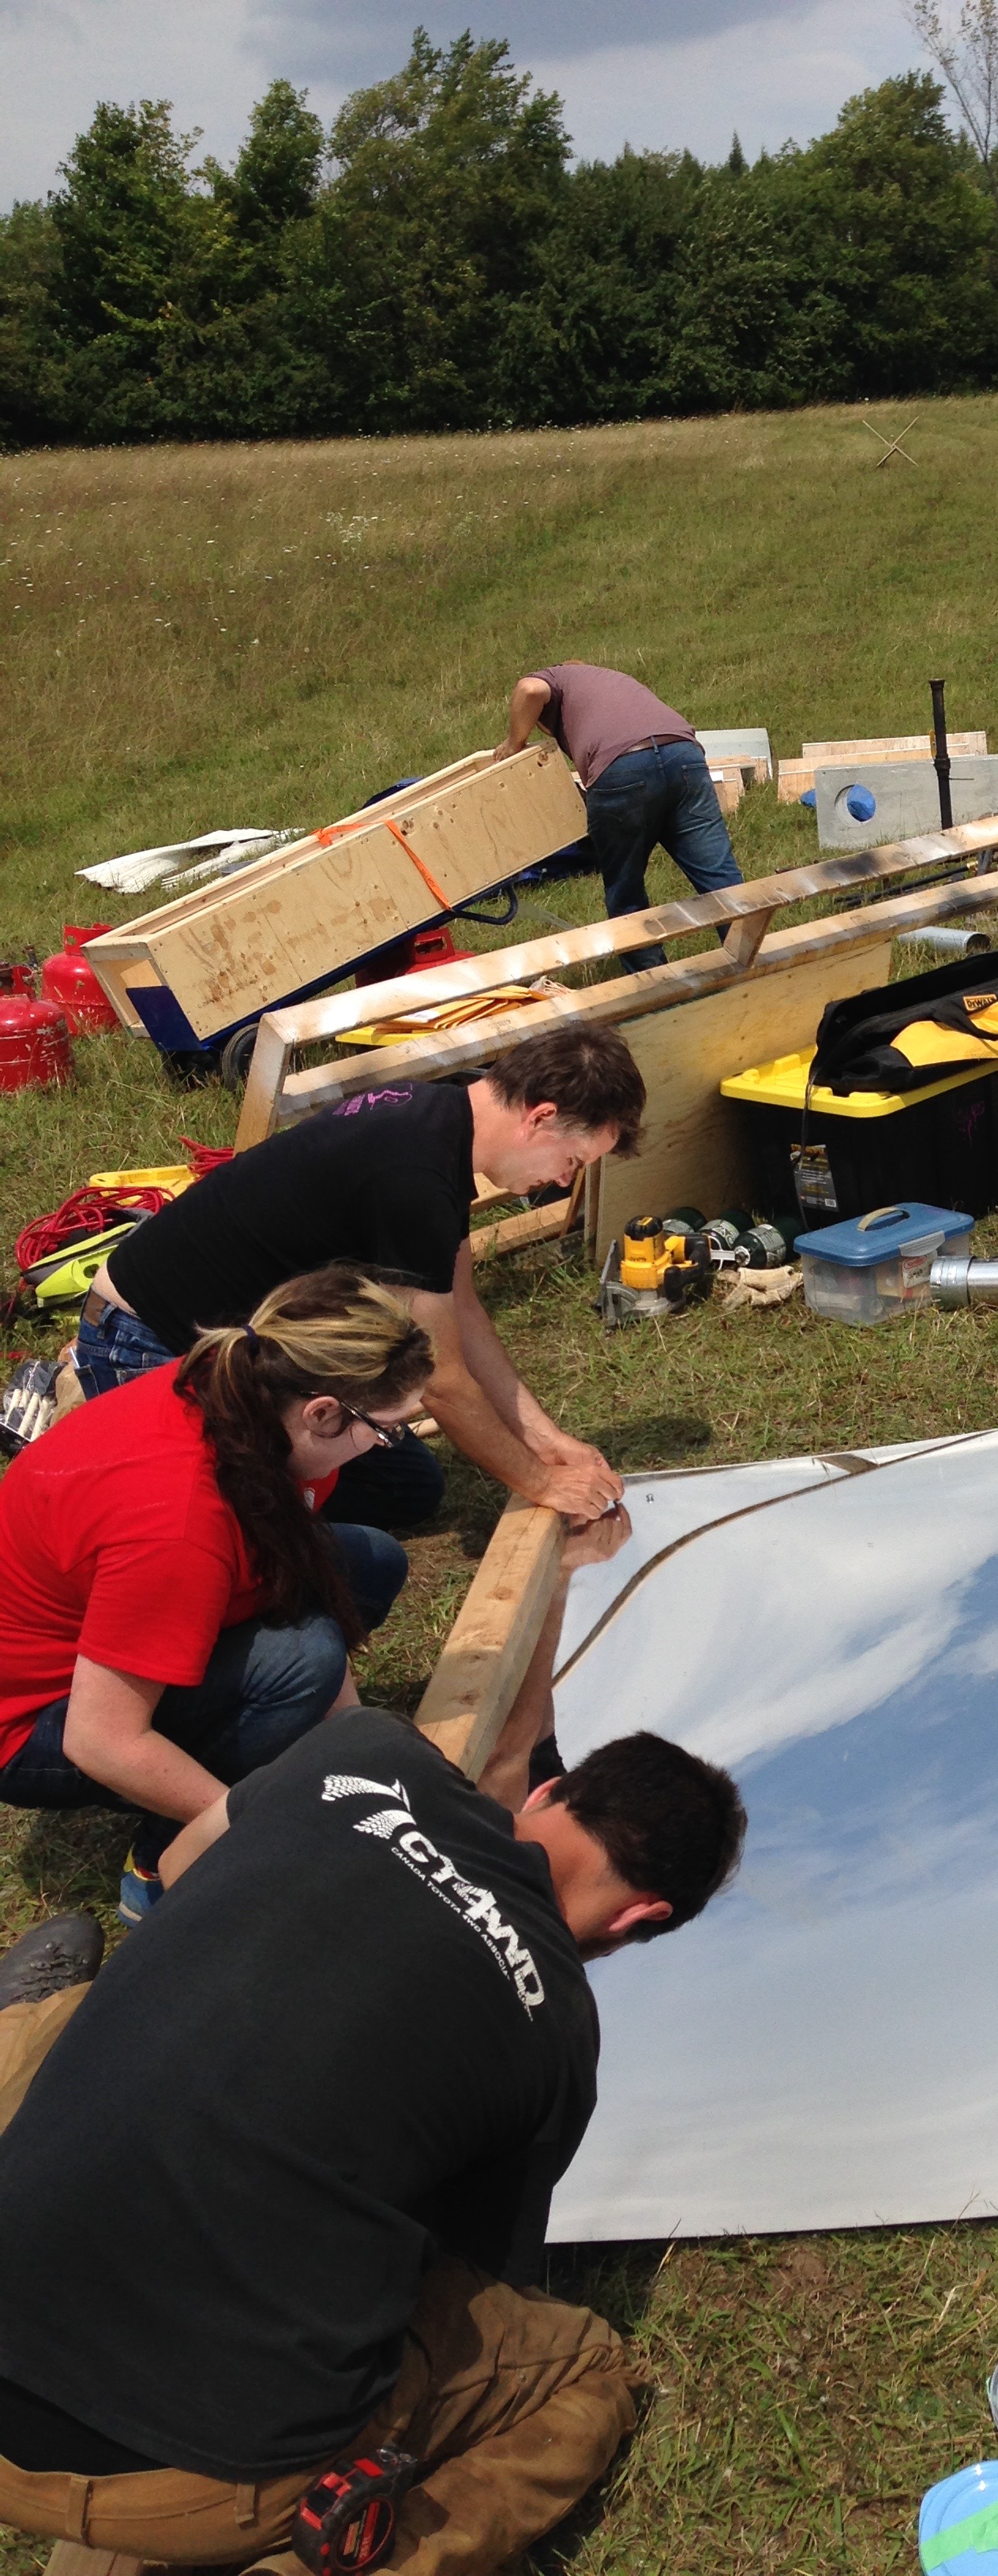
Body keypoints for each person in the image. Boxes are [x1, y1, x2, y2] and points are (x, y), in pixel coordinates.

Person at [0, 1693, 745, 2576]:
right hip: (199, 2487)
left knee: (86, 2017)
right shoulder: (558, 2033)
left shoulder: (362, 1751)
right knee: (585, 2373)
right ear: (639, 1919)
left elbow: (188, 1863)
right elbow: (464, 2284)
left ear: (549, 1797)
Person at [73, 1026, 643, 1530]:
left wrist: (546, 1443)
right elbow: (440, 1380)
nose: (564, 1182)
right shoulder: (414, 1176)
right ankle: (92, 1424)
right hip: (151, 1345)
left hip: (231, 1337)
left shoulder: (437, 1120)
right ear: (540, 1118)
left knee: (406, 1488)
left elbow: (461, 1309)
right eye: (574, 1160)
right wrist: (541, 1485)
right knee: (241, 1540)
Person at [0, 1267, 430, 1924]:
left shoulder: (238, 1390)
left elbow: (305, 1567)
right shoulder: (178, 1525)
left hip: (115, 1624)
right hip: (37, 1723)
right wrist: (254, 1828)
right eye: (385, 1427)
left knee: (367, 1563)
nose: (386, 1443)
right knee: (302, 1662)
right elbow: (101, 1739)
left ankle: (253, 1754)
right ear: (321, 1412)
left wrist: (360, 1749)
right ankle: (163, 1854)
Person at [495, 661, 742, 968]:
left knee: (626, 891)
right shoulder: (607, 680)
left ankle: (653, 985)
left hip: (622, 768)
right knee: (720, 875)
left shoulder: (553, 680)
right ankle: (752, 959)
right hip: (684, 756)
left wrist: (514, 743)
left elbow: (530, 689)